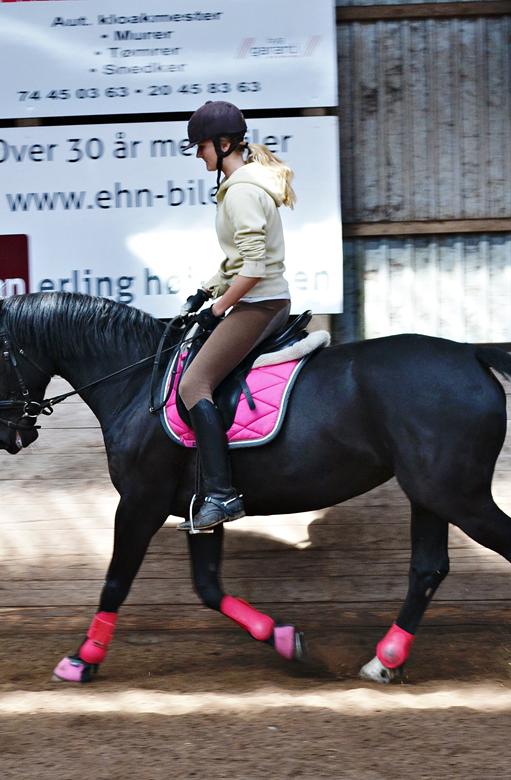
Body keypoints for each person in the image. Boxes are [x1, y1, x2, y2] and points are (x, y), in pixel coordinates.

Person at [177, 100, 296, 532]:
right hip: (256, 299)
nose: (198, 155)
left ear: (224, 143)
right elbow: (234, 263)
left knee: (194, 384)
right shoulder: (240, 186)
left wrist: (219, 308)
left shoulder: (242, 191)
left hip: (259, 304)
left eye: (202, 146)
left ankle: (222, 496)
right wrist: (205, 291)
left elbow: (254, 267)